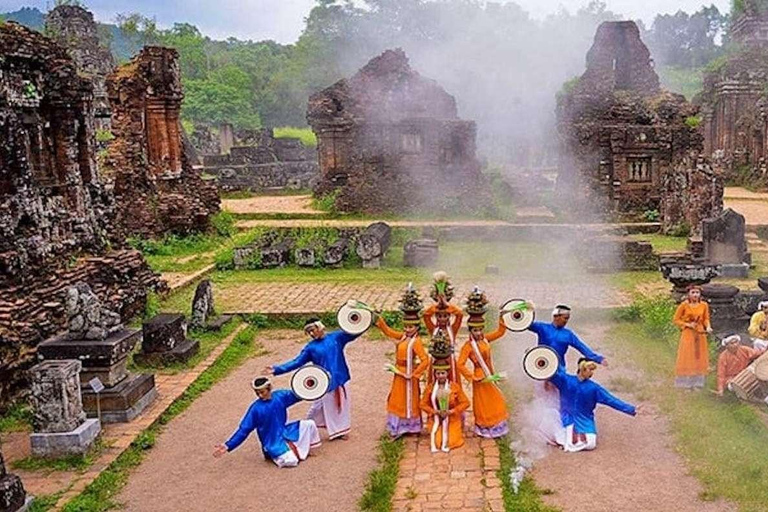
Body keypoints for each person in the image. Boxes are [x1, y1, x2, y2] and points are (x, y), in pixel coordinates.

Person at [265, 317, 362, 440]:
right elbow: (297, 361)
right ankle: (309, 426)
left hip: (341, 377)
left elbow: (353, 332)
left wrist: (363, 321)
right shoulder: (310, 348)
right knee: (318, 408)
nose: (311, 333)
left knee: (341, 406)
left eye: (312, 330)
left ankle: (340, 430)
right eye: (309, 332)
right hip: (324, 382)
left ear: (319, 327)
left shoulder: (336, 337)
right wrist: (277, 369)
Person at [213, 376, 321, 468]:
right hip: (271, 442)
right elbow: (243, 430)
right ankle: (273, 454)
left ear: (269, 388)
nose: (260, 395)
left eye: (262, 392)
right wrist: (228, 445)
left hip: (285, 432)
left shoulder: (280, 396)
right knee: (292, 461)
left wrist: (315, 385)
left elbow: (299, 394)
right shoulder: (255, 409)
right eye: (257, 393)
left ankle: (305, 449)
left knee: (309, 424)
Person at [376, 285, 430, 438]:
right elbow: (388, 332)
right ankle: (398, 426)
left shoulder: (416, 342)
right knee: (397, 398)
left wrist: (414, 373)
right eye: (405, 326)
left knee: (410, 399)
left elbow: (425, 360)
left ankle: (412, 427)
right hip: (398, 373)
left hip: (408, 374)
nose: (407, 329)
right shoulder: (403, 337)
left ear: (417, 327)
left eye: (411, 326)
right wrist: (379, 320)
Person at [549, 359, 637, 452]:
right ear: (582, 369)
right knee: (550, 417)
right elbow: (548, 372)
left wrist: (632, 409)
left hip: (585, 421)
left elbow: (611, 400)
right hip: (565, 418)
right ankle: (563, 440)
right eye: (589, 369)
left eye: (592, 370)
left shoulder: (594, 388)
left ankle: (566, 442)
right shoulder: (566, 380)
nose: (591, 373)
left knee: (590, 443)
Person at [457, 288, 510, 438]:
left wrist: (502, 317)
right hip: (480, 378)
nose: (478, 333)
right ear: (470, 331)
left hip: (489, 374)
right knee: (483, 404)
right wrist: (471, 376)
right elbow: (459, 364)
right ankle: (485, 426)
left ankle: (497, 426)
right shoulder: (468, 346)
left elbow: (500, 332)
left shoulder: (485, 339)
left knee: (497, 400)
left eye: (480, 329)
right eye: (475, 330)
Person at [421, 334, 470, 453]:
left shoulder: (454, 387)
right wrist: (434, 412)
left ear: (447, 373)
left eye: (443, 373)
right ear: (435, 374)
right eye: (438, 373)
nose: (441, 376)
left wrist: (452, 411)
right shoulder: (430, 388)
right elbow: (422, 404)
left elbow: (466, 403)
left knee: (451, 442)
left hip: (452, 418)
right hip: (436, 418)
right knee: (437, 442)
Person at [526, 303, 607, 368]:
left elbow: (582, 347)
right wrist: (526, 310)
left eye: (568, 318)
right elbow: (525, 323)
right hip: (542, 366)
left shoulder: (568, 334)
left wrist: (599, 359)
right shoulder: (542, 327)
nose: (566, 321)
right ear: (556, 317)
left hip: (559, 368)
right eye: (565, 318)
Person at [423, 272, 463, 382]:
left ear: (449, 316)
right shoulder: (433, 329)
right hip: (436, 363)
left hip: (449, 361)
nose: (442, 319)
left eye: (445, 316)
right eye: (439, 316)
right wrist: (437, 306)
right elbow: (426, 315)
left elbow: (459, 314)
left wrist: (447, 305)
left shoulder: (453, 329)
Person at [673, 285, 712, 389]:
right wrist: (688, 325)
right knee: (687, 355)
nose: (695, 295)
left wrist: (708, 327)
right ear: (688, 294)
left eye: (697, 293)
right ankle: (683, 383)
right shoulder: (683, 305)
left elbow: (706, 318)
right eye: (693, 292)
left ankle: (698, 383)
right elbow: (676, 320)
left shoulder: (704, 305)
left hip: (700, 333)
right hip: (688, 333)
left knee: (699, 356)